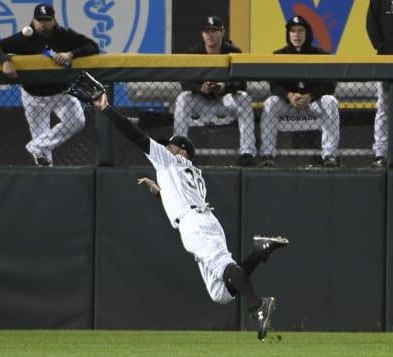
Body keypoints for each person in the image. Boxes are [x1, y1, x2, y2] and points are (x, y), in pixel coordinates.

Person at [89, 82, 289, 341]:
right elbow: (184, 197)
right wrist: (161, 192)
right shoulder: (193, 173)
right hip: (202, 219)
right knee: (221, 294)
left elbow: (135, 136)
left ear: (182, 151)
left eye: (171, 145)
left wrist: (106, 109)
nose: (166, 147)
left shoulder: (169, 160)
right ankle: (258, 251)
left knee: (223, 267)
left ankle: (256, 306)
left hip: (194, 223)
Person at [0, 3, 99, 166]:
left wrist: (71, 54)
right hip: (34, 96)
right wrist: (4, 61)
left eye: (47, 19)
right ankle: (45, 171)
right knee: (43, 152)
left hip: (61, 92)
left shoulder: (63, 35)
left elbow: (92, 46)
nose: (43, 23)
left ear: (54, 21)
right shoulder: (25, 37)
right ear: (33, 20)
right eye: (39, 19)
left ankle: (35, 146)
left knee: (77, 121)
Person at [173, 16, 257, 167]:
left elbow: (242, 83)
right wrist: (200, 88)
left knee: (243, 98)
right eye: (206, 31)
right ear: (202, 34)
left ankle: (247, 152)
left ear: (222, 33)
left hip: (224, 102)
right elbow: (184, 81)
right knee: (183, 98)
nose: (209, 35)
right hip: (201, 103)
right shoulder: (194, 52)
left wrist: (224, 87)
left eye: (214, 31)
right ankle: (179, 151)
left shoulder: (233, 52)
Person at [259, 15, 340, 168]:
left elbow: (330, 84)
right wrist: (289, 95)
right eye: (293, 31)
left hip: (313, 103)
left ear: (307, 33)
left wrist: (311, 96)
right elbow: (274, 85)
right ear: (288, 34)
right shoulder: (279, 55)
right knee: (270, 103)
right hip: (289, 104)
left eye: (300, 31)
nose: (296, 35)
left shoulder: (320, 55)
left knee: (330, 101)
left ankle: (329, 155)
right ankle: (267, 155)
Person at [366, 0, 392, 168]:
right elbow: (371, 24)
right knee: (384, 107)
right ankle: (381, 153)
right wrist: (382, 48)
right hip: (387, 61)